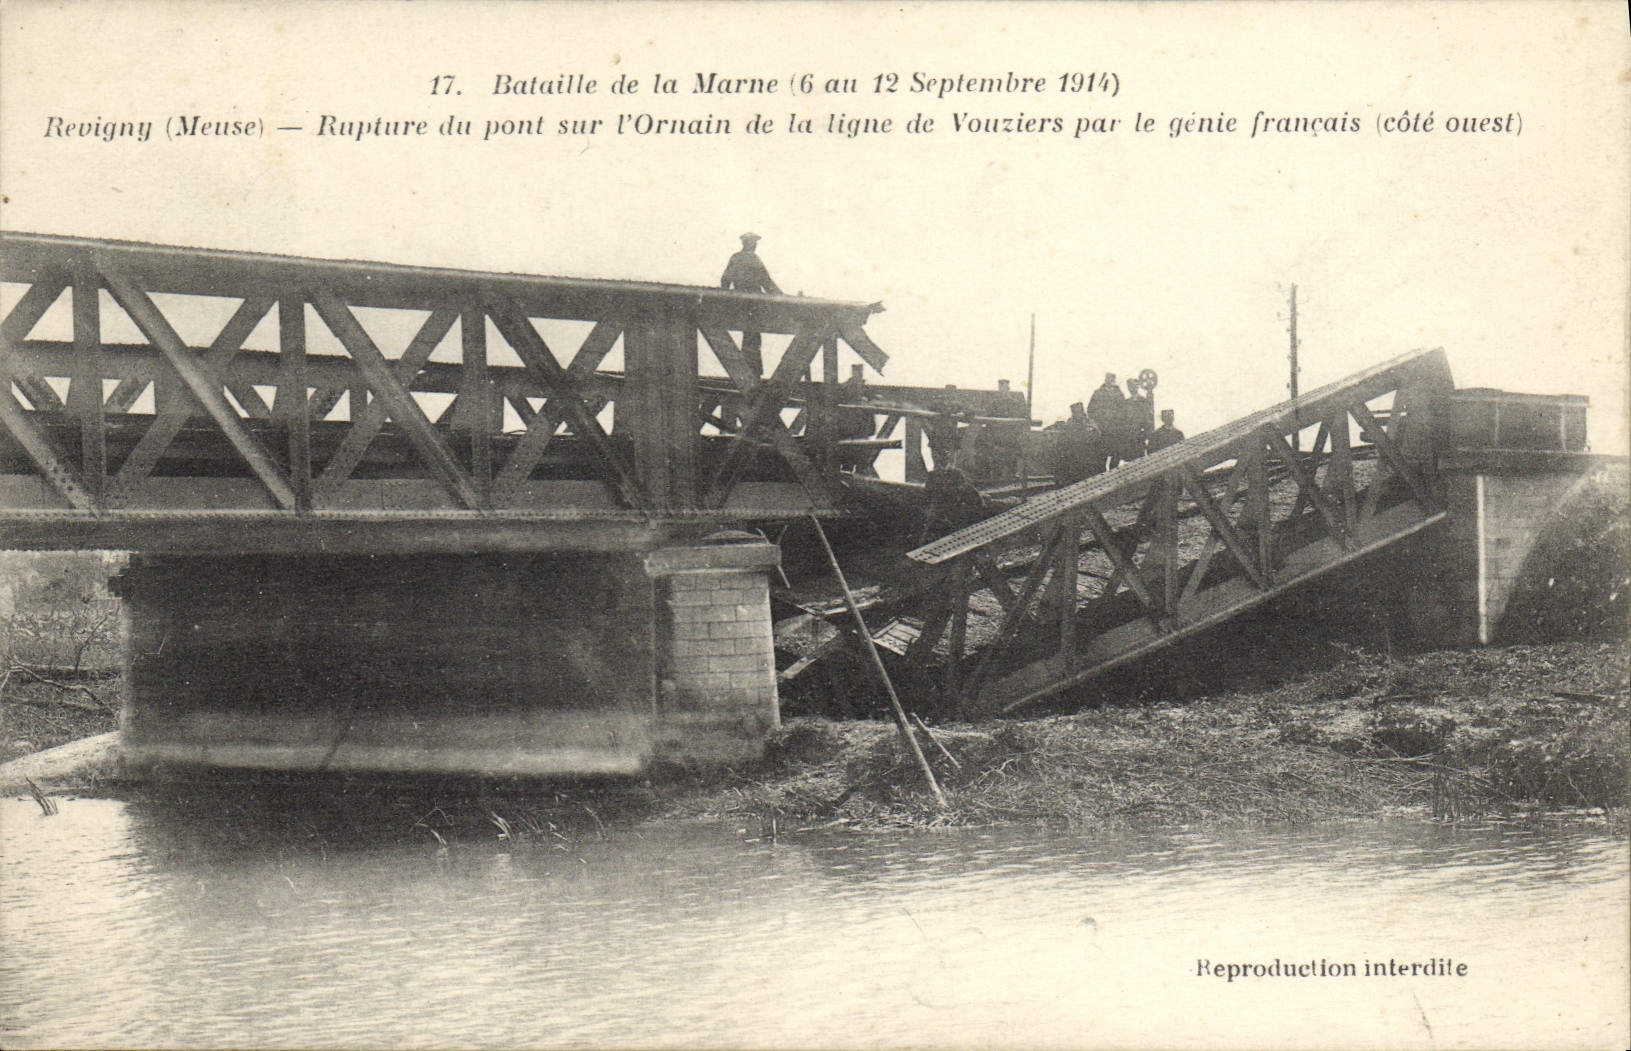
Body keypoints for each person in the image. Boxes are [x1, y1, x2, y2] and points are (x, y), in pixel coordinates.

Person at [720, 233, 781, 376]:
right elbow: (766, 282)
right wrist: (781, 296)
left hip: (740, 302)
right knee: (753, 336)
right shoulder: (754, 260)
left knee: (749, 336)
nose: (754, 246)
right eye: (754, 243)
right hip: (754, 303)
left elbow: (725, 280)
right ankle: (753, 370)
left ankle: (746, 370)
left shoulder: (735, 258)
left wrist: (725, 297)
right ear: (750, 244)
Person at [1086, 372, 1125, 471]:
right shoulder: (1098, 393)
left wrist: (1119, 421)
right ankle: (1101, 473)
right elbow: (1090, 410)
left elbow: (1124, 411)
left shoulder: (1119, 394)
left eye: (1112, 379)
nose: (1110, 382)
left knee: (1116, 454)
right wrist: (1096, 423)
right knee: (1101, 456)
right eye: (1108, 379)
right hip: (1102, 430)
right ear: (1105, 380)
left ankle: (1113, 473)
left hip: (1116, 430)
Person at [1121, 377, 1154, 461]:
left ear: (1138, 386)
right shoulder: (1125, 403)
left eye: (1134, 385)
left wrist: (1147, 434)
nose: (1132, 388)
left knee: (1140, 460)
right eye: (1130, 386)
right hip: (1128, 438)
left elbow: (1149, 418)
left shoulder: (1143, 401)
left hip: (1140, 436)